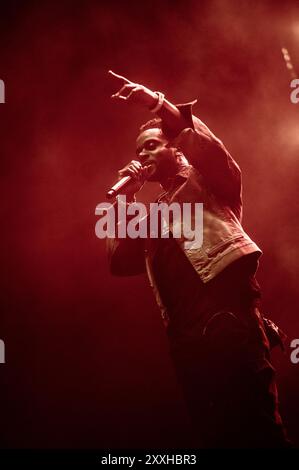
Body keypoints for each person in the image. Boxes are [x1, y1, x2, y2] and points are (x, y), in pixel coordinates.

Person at [105, 70, 289, 448]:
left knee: (256, 430)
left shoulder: (206, 179)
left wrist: (154, 101)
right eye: (138, 150)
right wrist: (124, 200)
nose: (142, 155)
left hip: (228, 320)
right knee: (214, 435)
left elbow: (201, 141)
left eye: (152, 146)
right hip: (186, 340)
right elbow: (119, 261)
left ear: (176, 147)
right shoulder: (153, 214)